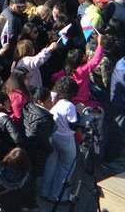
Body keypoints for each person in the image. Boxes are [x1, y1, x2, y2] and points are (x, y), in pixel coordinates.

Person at [39, 75, 79, 203]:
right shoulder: (69, 106)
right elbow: (73, 125)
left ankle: (44, 191)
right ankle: (57, 196)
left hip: (53, 136)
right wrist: (79, 111)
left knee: (51, 164)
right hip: (66, 139)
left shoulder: (53, 99)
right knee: (66, 167)